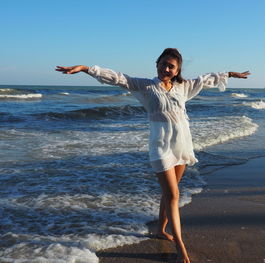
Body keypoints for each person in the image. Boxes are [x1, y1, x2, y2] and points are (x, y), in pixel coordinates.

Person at [56, 48, 250, 263]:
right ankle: (181, 247)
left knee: (169, 193)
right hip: (160, 147)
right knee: (173, 196)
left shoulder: (183, 87)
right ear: (156, 63)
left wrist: (230, 74)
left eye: (171, 66)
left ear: (177, 70)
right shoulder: (145, 86)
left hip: (182, 145)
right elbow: (118, 78)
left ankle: (160, 230)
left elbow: (206, 79)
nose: (166, 69)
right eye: (163, 64)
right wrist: (85, 69)